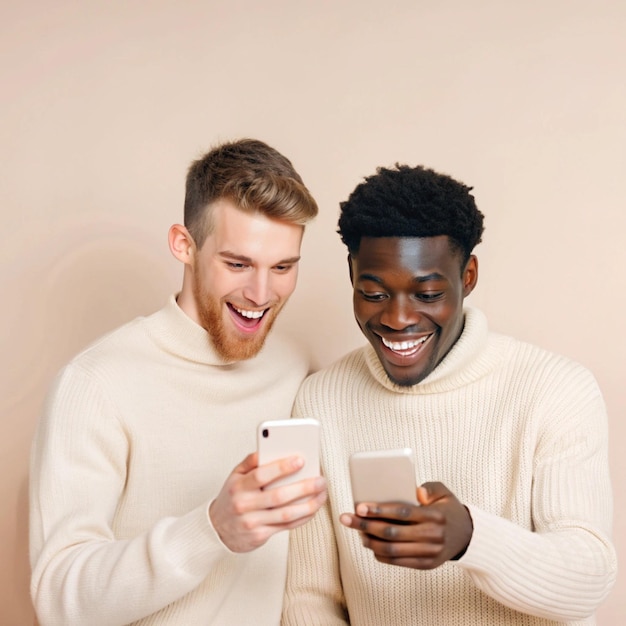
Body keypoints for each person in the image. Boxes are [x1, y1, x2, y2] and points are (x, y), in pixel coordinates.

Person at [282, 164, 617, 625]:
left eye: (428, 293)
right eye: (374, 294)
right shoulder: (322, 400)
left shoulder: (555, 389)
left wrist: (472, 538)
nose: (399, 319)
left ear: (469, 276)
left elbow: (588, 581)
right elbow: (308, 597)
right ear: (352, 275)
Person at [29, 138, 327, 626]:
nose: (260, 292)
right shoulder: (95, 385)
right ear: (183, 245)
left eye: (282, 268)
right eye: (237, 264)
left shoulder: (296, 367)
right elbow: (59, 601)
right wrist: (211, 530)